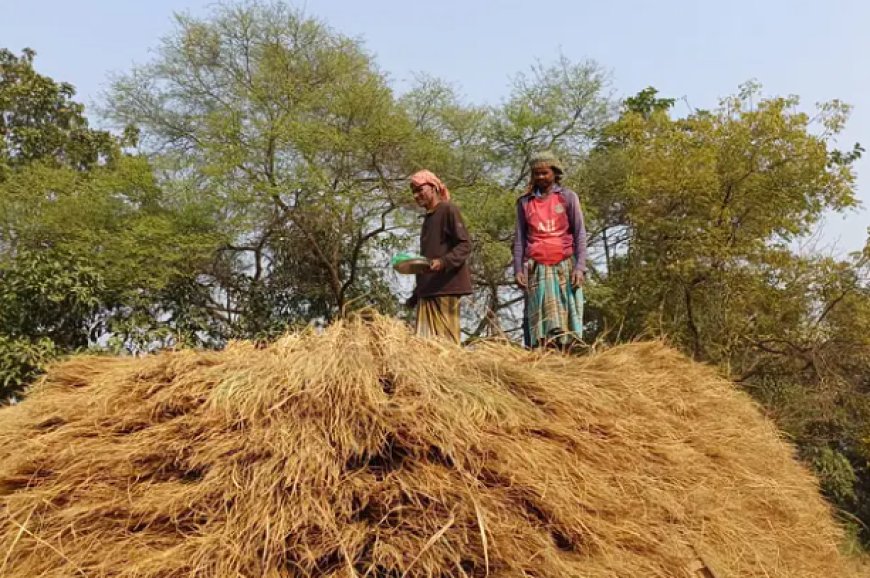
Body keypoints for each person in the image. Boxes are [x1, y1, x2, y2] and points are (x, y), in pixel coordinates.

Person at [512, 151, 587, 348]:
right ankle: (544, 356)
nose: (540, 177)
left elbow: (579, 234)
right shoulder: (525, 202)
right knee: (540, 326)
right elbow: (519, 239)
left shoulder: (567, 198)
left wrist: (579, 268)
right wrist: (518, 270)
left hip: (564, 265)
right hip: (537, 268)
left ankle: (568, 355)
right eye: (536, 174)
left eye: (544, 173)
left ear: (554, 173)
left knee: (567, 322)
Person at [406, 170, 472, 344]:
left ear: (434, 187)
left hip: (446, 288)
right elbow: (428, 257)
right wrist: (415, 294)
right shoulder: (428, 218)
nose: (416, 195)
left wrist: (443, 262)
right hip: (427, 291)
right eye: (414, 191)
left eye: (420, 189)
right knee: (424, 348)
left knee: (446, 346)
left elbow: (464, 245)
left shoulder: (448, 209)